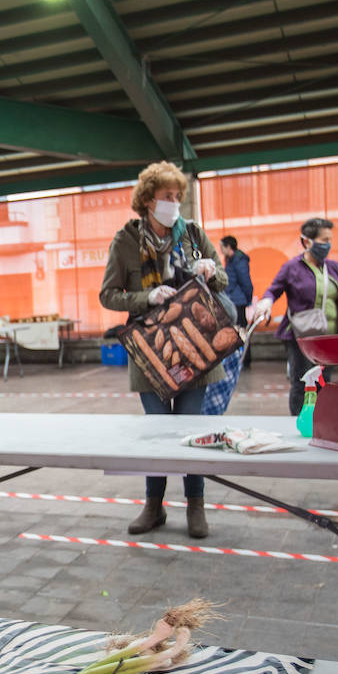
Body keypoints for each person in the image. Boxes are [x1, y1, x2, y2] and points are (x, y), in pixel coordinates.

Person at [100, 161, 229, 540]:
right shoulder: (125, 241)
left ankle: (195, 506)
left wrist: (210, 269)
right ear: (147, 201)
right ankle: (154, 507)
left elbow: (220, 280)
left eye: (177, 197)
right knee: (157, 433)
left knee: (190, 432)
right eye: (166, 197)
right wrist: (146, 297)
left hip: (197, 347)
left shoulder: (191, 234)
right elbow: (109, 295)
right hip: (150, 351)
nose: (173, 204)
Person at [249, 217, 338, 415]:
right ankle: (299, 422)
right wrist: (266, 302)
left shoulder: (333, 267)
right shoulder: (292, 267)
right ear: (307, 241)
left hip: (329, 338)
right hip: (301, 337)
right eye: (323, 241)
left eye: (330, 240)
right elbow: (274, 290)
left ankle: (322, 423)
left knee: (324, 382)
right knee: (303, 382)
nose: (327, 245)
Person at [220, 235, 255, 368]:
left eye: (222, 247)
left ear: (229, 247)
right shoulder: (231, 260)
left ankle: (244, 359)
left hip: (238, 301)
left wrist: (248, 298)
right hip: (233, 300)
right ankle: (239, 359)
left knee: (241, 331)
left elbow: (245, 281)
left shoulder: (239, 260)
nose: (221, 250)